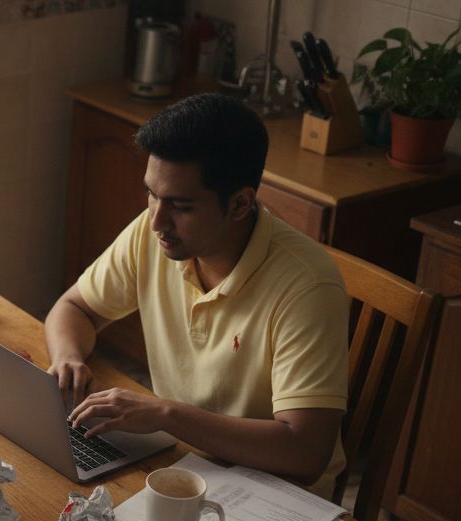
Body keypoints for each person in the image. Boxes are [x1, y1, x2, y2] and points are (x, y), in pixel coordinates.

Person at [45, 93, 348, 498]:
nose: (156, 220)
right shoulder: (152, 234)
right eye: (151, 194)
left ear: (240, 203)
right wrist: (68, 357)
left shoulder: (307, 285)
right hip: (182, 462)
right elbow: (74, 307)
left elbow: (305, 453)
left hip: (275, 495)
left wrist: (166, 414)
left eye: (180, 206)